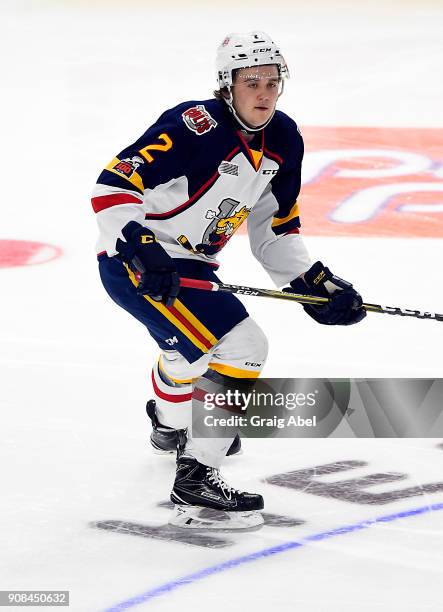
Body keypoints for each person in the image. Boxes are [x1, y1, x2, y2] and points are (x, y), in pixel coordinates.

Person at [91, 31, 366, 529]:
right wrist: (142, 246)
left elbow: (274, 229)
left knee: (188, 354)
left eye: (271, 81)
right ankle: (197, 476)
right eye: (251, 81)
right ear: (227, 84)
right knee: (243, 346)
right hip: (133, 261)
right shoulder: (193, 126)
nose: (263, 92)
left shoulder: (285, 139)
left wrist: (312, 283)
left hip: (192, 267)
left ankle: (171, 425)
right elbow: (112, 186)